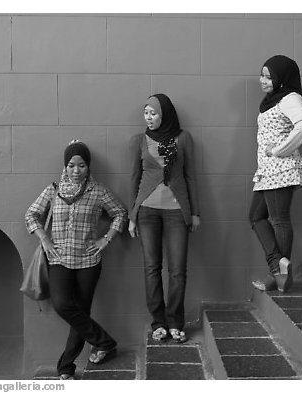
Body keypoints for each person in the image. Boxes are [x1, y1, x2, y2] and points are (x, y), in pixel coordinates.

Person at [25, 140, 127, 380]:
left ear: (88, 166)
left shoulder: (98, 191)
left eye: (81, 165)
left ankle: (65, 368)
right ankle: (105, 342)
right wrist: (44, 240)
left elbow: (120, 213)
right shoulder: (53, 190)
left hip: (88, 262)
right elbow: (31, 214)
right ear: (65, 166)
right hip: (59, 259)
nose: (76, 170)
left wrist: (106, 240)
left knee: (80, 312)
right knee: (63, 305)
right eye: (71, 165)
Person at [128, 93, 201, 343]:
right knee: (152, 268)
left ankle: (175, 322)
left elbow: (191, 176)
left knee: (178, 270)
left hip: (176, 213)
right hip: (146, 212)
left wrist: (195, 212)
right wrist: (132, 215)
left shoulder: (183, 138)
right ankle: (158, 322)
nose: (148, 118)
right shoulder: (139, 140)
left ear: (165, 114)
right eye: (146, 113)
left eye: (154, 113)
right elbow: (134, 179)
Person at [249, 55, 302, 293]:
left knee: (279, 220)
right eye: (262, 75)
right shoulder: (273, 100)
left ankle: (278, 275)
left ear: (282, 78)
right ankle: (278, 267)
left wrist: (279, 150)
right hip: (267, 171)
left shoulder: (290, 98)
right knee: (256, 217)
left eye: (269, 76)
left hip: (282, 168)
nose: (263, 80)